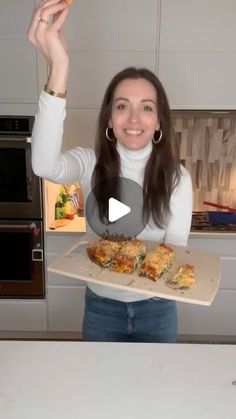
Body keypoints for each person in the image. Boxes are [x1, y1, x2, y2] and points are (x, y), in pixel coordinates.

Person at [28, 0, 193, 343]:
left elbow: (172, 254)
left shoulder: (177, 178)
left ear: (159, 121)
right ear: (109, 119)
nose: (134, 119)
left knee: (155, 392)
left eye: (146, 108)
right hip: (101, 308)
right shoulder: (90, 164)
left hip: (157, 308)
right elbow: (44, 165)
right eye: (122, 107)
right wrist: (59, 67)